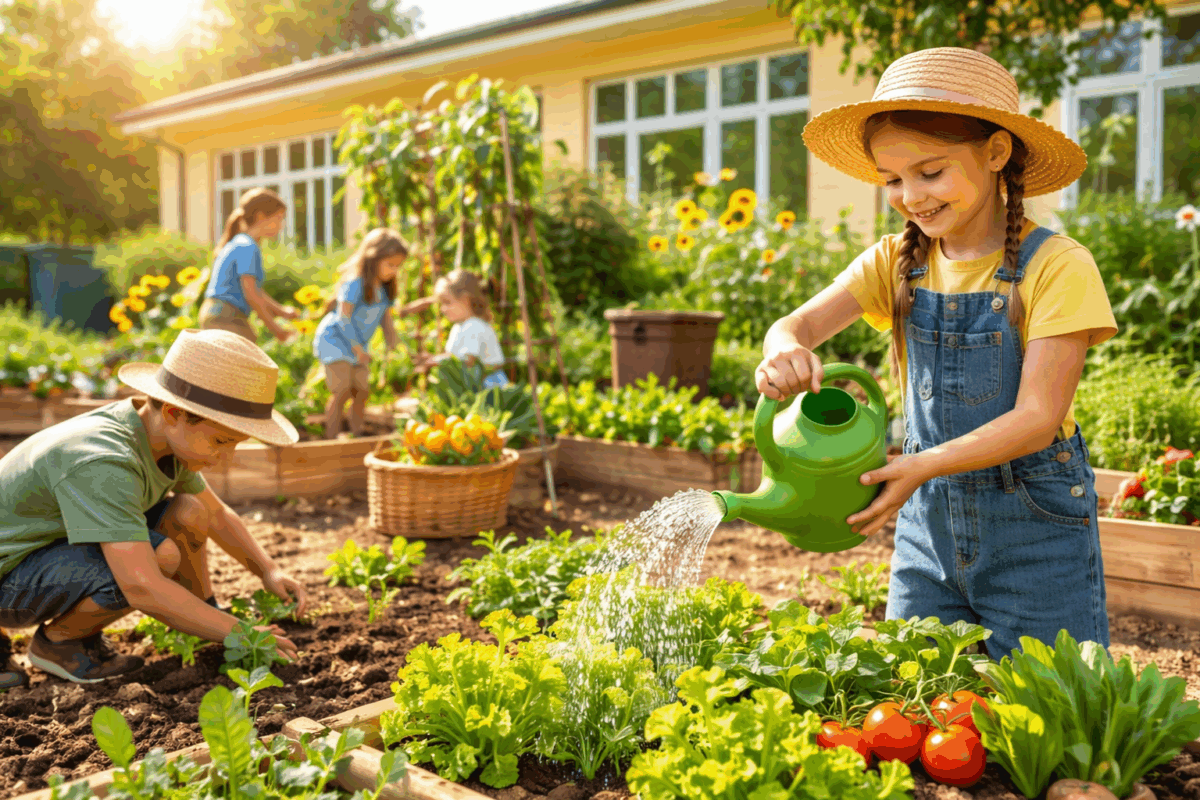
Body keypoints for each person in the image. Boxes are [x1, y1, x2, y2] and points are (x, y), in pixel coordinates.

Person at [755, 47, 1117, 660]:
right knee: (916, 704)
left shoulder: (1057, 267)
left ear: (997, 153)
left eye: (931, 172)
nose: (909, 196)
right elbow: (796, 325)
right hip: (928, 532)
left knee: (1053, 715)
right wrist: (783, 349)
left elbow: (1038, 418)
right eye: (892, 179)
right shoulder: (896, 262)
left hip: (1034, 529)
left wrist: (921, 466)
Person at [0, 329, 309, 685]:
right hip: (9, 579)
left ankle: (201, 618)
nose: (227, 457)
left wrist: (267, 571)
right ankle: (59, 644)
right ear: (176, 413)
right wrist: (244, 633)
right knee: (158, 558)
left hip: (42, 553)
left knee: (191, 510)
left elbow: (217, 514)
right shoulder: (105, 462)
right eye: (222, 441)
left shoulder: (157, 437)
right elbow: (142, 587)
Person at [312, 228, 428, 440]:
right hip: (335, 340)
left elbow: (386, 321)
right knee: (342, 390)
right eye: (390, 264)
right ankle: (331, 438)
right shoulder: (355, 284)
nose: (394, 271)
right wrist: (357, 349)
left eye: (398, 266)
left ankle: (357, 436)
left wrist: (400, 348)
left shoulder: (384, 290)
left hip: (357, 346)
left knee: (362, 391)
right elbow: (342, 318)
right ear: (372, 259)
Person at [200, 187, 298, 344]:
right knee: (249, 363)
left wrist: (281, 311)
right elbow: (251, 294)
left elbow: (256, 291)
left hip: (216, 313)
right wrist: (276, 330)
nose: (281, 225)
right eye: (279, 218)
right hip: (226, 316)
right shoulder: (248, 246)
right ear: (260, 216)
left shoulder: (240, 242)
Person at [419, 268, 509, 389]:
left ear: (465, 300)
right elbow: (454, 356)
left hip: (489, 386)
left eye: (447, 303)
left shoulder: (474, 325)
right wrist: (435, 359)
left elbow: (468, 360)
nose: (443, 309)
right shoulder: (459, 327)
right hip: (475, 384)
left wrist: (437, 360)